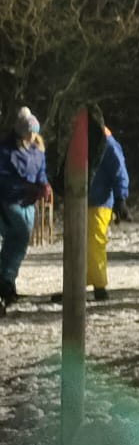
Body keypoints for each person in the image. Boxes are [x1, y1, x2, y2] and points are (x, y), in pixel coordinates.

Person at [1, 108, 49, 310]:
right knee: (18, 237)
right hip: (10, 201)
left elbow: (41, 172)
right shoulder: (6, 151)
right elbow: (4, 178)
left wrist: (43, 185)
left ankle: (7, 282)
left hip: (28, 202)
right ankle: (5, 281)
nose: (32, 136)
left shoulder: (37, 151)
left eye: (34, 132)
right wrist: (25, 187)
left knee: (16, 244)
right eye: (29, 133)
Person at [82, 106, 129, 301]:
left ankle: (99, 286)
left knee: (95, 243)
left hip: (100, 201)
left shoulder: (107, 144)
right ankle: (81, 283)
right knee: (83, 245)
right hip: (82, 201)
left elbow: (119, 172)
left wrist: (120, 198)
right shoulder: (88, 141)